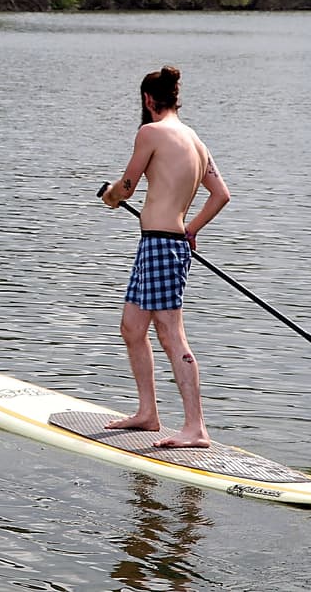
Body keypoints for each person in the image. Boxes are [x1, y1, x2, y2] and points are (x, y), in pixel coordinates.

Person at [100, 66, 230, 449]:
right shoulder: (195, 140)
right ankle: (147, 413)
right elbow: (221, 194)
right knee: (132, 328)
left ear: (147, 100)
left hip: (160, 246)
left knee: (171, 334)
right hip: (161, 243)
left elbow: (126, 186)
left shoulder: (151, 133)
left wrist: (110, 195)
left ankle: (196, 428)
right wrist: (191, 230)